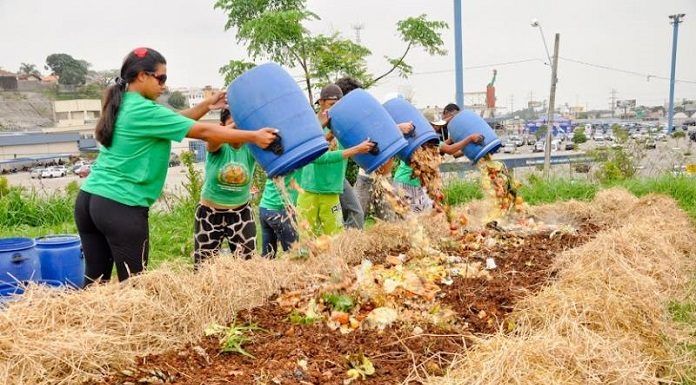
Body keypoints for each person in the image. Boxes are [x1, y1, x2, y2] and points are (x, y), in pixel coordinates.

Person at [75, 47, 278, 284]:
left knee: (95, 282)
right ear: (141, 75)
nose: (164, 85)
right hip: (121, 205)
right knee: (133, 285)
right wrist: (254, 136)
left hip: (90, 200)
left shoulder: (124, 104)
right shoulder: (144, 109)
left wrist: (206, 105)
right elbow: (202, 132)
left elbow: (176, 120)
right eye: (160, 78)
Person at [297, 84, 374, 236]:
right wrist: (356, 149)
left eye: (339, 105)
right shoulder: (312, 125)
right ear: (321, 102)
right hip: (311, 189)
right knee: (306, 239)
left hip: (332, 188)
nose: (334, 109)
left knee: (334, 237)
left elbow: (369, 131)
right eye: (332, 105)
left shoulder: (342, 124)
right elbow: (317, 157)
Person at [193, 108, 258, 267]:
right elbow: (213, 139)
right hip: (210, 214)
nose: (238, 133)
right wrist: (230, 128)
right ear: (221, 126)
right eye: (234, 127)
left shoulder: (250, 148)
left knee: (248, 267)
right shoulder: (218, 146)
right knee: (204, 267)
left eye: (243, 128)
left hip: (241, 213)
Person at [393, 103, 483, 212]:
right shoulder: (427, 141)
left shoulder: (417, 138)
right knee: (424, 217)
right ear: (425, 124)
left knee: (413, 218)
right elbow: (449, 150)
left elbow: (444, 147)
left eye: (437, 125)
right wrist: (470, 138)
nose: (437, 128)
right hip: (409, 184)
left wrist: (454, 139)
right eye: (434, 125)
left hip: (401, 181)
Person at [258, 170, 301, 258]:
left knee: (268, 256)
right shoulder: (295, 162)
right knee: (293, 255)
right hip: (280, 211)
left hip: (264, 208)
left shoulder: (276, 162)